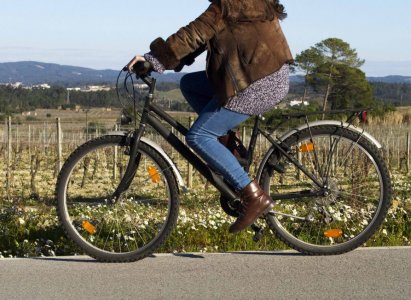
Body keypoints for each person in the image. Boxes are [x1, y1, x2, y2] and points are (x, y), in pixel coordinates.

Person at [126, 0, 293, 233]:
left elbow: (193, 33)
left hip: (256, 82)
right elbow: (203, 37)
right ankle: (230, 148)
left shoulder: (229, 3)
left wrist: (154, 59)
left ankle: (253, 196)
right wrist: (160, 61)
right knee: (190, 84)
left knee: (199, 136)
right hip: (260, 74)